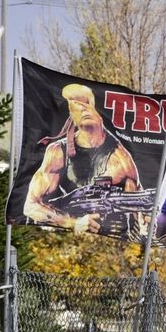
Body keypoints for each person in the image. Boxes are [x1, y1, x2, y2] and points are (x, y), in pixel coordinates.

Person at [23, 83, 142, 234]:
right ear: (71, 115)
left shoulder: (120, 159)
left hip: (107, 242)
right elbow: (30, 205)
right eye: (76, 106)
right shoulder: (58, 152)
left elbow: (137, 208)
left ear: (100, 112)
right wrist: (72, 223)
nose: (84, 109)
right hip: (64, 240)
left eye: (87, 104)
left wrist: (144, 222)